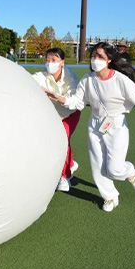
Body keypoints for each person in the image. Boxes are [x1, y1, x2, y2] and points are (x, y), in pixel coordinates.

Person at [43, 42, 135, 212]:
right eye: (93, 56)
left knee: (114, 168)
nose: (95, 60)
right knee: (97, 164)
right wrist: (60, 98)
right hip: (95, 125)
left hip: (116, 125)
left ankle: (129, 171)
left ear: (109, 60)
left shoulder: (119, 79)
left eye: (100, 56)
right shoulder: (87, 79)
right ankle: (110, 197)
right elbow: (77, 102)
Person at [32, 48, 81, 192]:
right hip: (53, 115)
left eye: (54, 60)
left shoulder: (71, 77)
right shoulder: (43, 75)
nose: (50, 63)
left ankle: (65, 177)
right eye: (47, 60)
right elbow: (29, 80)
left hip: (70, 113)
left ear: (62, 62)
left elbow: (74, 101)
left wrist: (59, 98)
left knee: (61, 139)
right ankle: (70, 163)